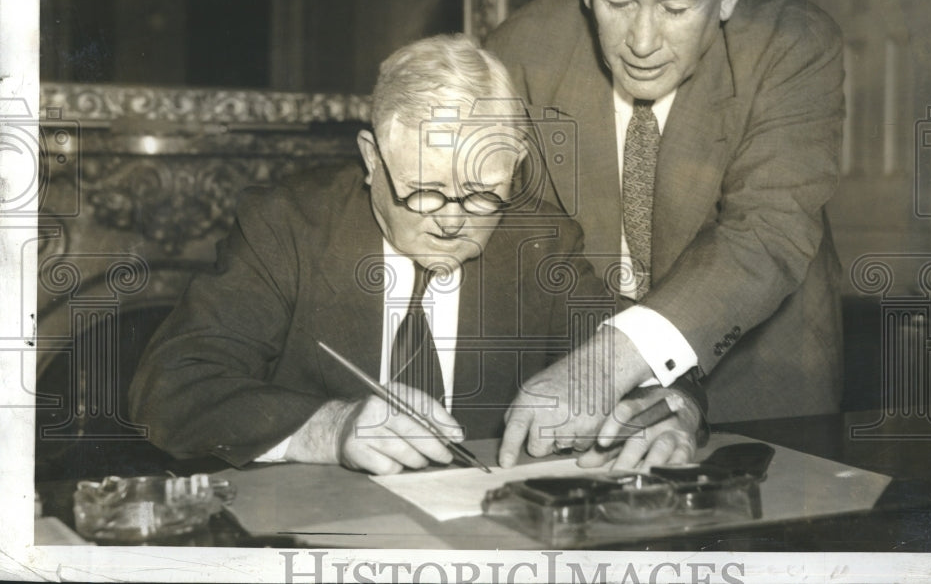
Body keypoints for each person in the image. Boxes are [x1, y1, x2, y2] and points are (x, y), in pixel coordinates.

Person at [129, 34, 706, 475]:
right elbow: (170, 388)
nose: (453, 221)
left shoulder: (539, 242)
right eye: (425, 191)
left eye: (483, 193)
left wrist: (672, 411)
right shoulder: (288, 228)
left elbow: (659, 355)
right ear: (372, 160)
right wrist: (331, 429)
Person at [488, 0, 844, 463]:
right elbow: (531, 242)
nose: (643, 43)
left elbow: (764, 233)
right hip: (585, 389)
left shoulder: (793, 44)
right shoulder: (520, 53)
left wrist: (615, 360)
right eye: (618, 1)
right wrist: (620, 382)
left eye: (677, 7)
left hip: (759, 385)